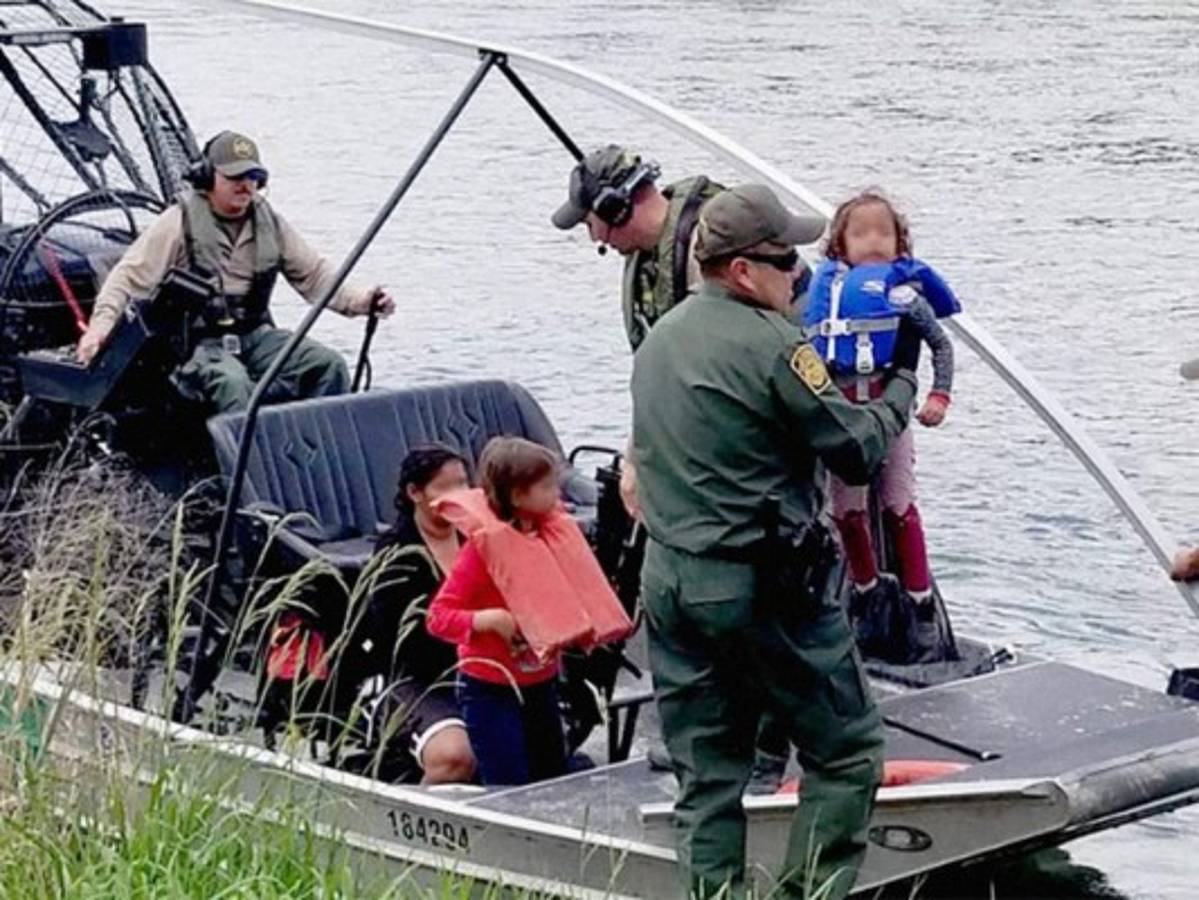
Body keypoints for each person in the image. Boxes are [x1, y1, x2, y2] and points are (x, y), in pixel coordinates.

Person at [630, 183, 921, 899]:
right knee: (847, 753)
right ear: (740, 270)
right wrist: (901, 385)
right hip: (760, 585)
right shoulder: (776, 346)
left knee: (706, 778)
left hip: (669, 582)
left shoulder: (659, 337)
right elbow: (852, 450)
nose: (798, 273)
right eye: (782, 259)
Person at [75, 130, 396, 412]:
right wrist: (99, 329)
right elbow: (127, 278)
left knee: (328, 365)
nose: (245, 186)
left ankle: (322, 458)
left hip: (255, 335)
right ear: (207, 177)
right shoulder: (179, 221)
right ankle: (246, 473)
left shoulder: (270, 223)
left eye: (252, 177)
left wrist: (363, 301)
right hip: (198, 344)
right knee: (233, 385)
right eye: (234, 177)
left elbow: (315, 276)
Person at [802, 189, 960, 663]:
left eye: (883, 232)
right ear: (840, 245)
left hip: (889, 419)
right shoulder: (825, 295)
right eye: (861, 232)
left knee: (899, 506)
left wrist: (938, 395)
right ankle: (867, 594)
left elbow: (941, 345)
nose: (873, 241)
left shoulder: (903, 297)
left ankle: (919, 605)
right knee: (846, 512)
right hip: (843, 418)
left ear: (899, 242)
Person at [425, 437, 570, 786]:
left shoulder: (551, 538)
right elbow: (438, 617)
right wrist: (486, 620)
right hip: (490, 689)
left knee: (552, 775)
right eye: (547, 487)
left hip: (542, 682)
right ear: (519, 496)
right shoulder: (481, 550)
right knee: (508, 779)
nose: (558, 495)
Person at [355, 444, 476, 786]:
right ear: (415, 493)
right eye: (446, 487)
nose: (459, 495)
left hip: (479, 667)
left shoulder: (477, 537)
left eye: (463, 484)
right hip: (412, 677)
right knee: (455, 757)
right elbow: (397, 640)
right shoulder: (397, 552)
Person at [552, 144, 724, 352]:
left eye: (590, 224)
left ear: (615, 210)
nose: (595, 238)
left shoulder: (709, 254)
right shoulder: (646, 260)